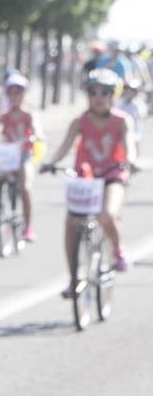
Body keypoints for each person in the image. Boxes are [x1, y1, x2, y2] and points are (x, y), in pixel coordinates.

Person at [42, 68, 140, 294]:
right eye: (93, 92)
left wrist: (131, 161)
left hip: (112, 176)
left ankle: (118, 250)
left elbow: (129, 145)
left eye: (104, 92)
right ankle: (74, 279)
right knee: (71, 224)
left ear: (113, 95)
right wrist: (51, 162)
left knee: (107, 214)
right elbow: (65, 146)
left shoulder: (121, 121)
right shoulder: (80, 121)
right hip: (85, 179)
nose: (98, 97)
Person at [0, 72, 42, 242]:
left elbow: (37, 130)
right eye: (11, 92)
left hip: (24, 156)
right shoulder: (5, 114)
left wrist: (33, 137)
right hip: (8, 156)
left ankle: (28, 227)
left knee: (26, 188)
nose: (15, 96)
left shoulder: (29, 114)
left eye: (19, 92)